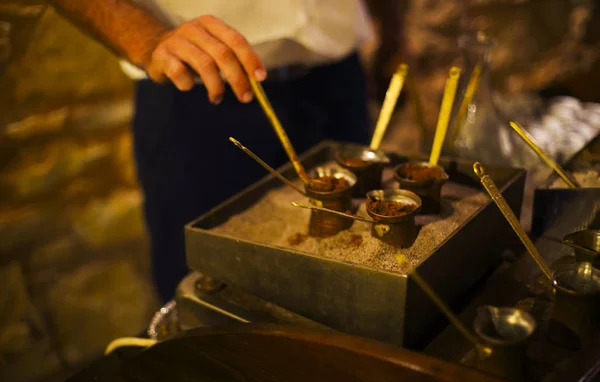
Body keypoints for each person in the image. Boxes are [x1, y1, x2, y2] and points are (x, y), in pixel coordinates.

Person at [48, 0, 395, 302]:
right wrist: (146, 38)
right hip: (199, 92)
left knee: (352, 276)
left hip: (337, 79)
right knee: (206, 294)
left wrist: (393, 32)